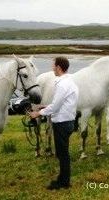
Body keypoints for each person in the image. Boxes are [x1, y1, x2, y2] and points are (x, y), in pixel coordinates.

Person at [29, 56, 79, 190]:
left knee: (63, 154)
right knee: (63, 153)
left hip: (62, 123)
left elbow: (56, 106)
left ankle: (63, 182)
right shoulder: (70, 82)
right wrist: (44, 106)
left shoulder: (62, 84)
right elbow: (61, 103)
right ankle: (63, 179)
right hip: (67, 121)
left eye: (53, 66)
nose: (52, 68)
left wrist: (38, 113)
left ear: (58, 67)